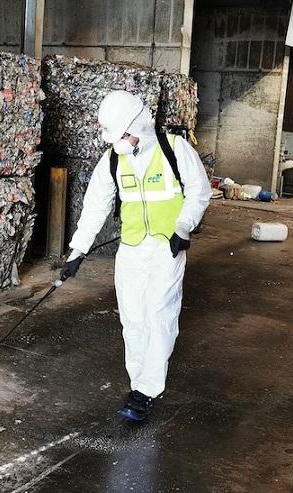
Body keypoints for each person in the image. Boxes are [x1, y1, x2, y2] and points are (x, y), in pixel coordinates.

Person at [60, 90, 212, 421]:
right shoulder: (114, 158)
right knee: (132, 319)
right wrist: (78, 250)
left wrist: (182, 229)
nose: (122, 141)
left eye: (125, 134)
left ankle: (146, 390)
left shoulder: (174, 149)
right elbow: (95, 206)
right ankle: (136, 381)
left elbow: (199, 192)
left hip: (166, 246)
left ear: (139, 125)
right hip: (130, 247)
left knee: (159, 315)